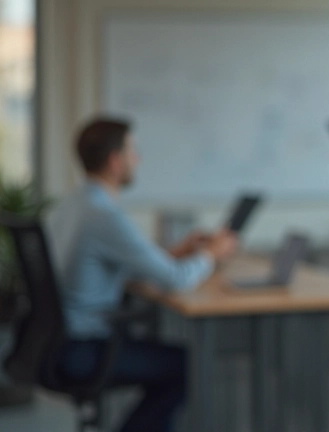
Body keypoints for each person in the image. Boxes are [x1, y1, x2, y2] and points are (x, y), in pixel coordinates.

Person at [53, 117, 237, 432]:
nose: (138, 159)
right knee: (190, 365)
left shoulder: (74, 204)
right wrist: (211, 254)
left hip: (58, 343)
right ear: (115, 161)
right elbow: (176, 280)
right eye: (133, 151)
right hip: (85, 347)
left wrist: (176, 252)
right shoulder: (105, 215)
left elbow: (127, 261)